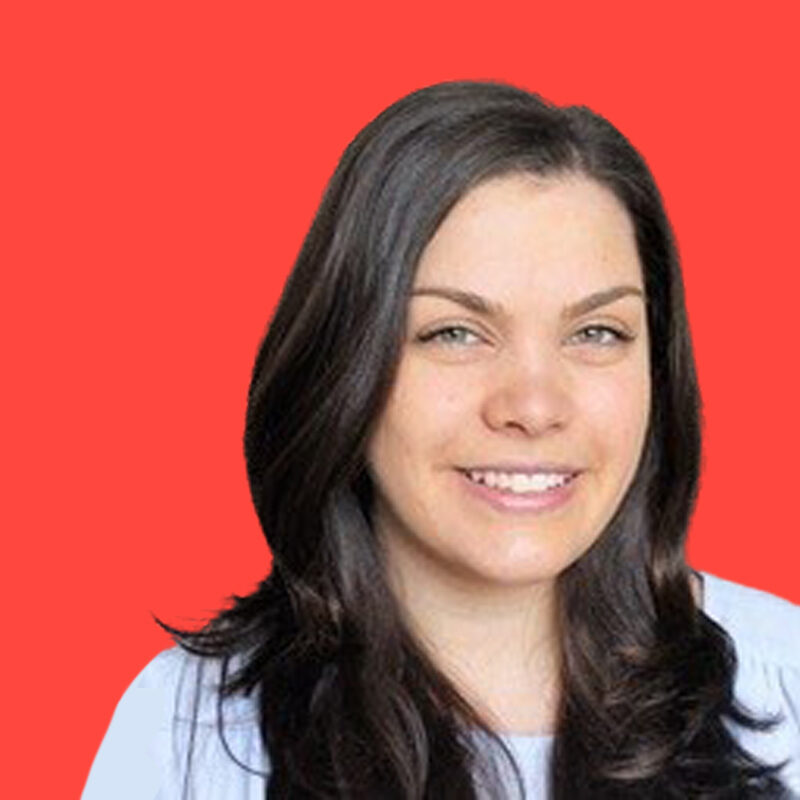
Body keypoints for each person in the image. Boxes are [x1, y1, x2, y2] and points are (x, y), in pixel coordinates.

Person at [82, 81, 800, 799]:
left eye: (596, 333)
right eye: (454, 333)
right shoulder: (190, 733)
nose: (534, 406)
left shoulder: (785, 683)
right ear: (346, 364)